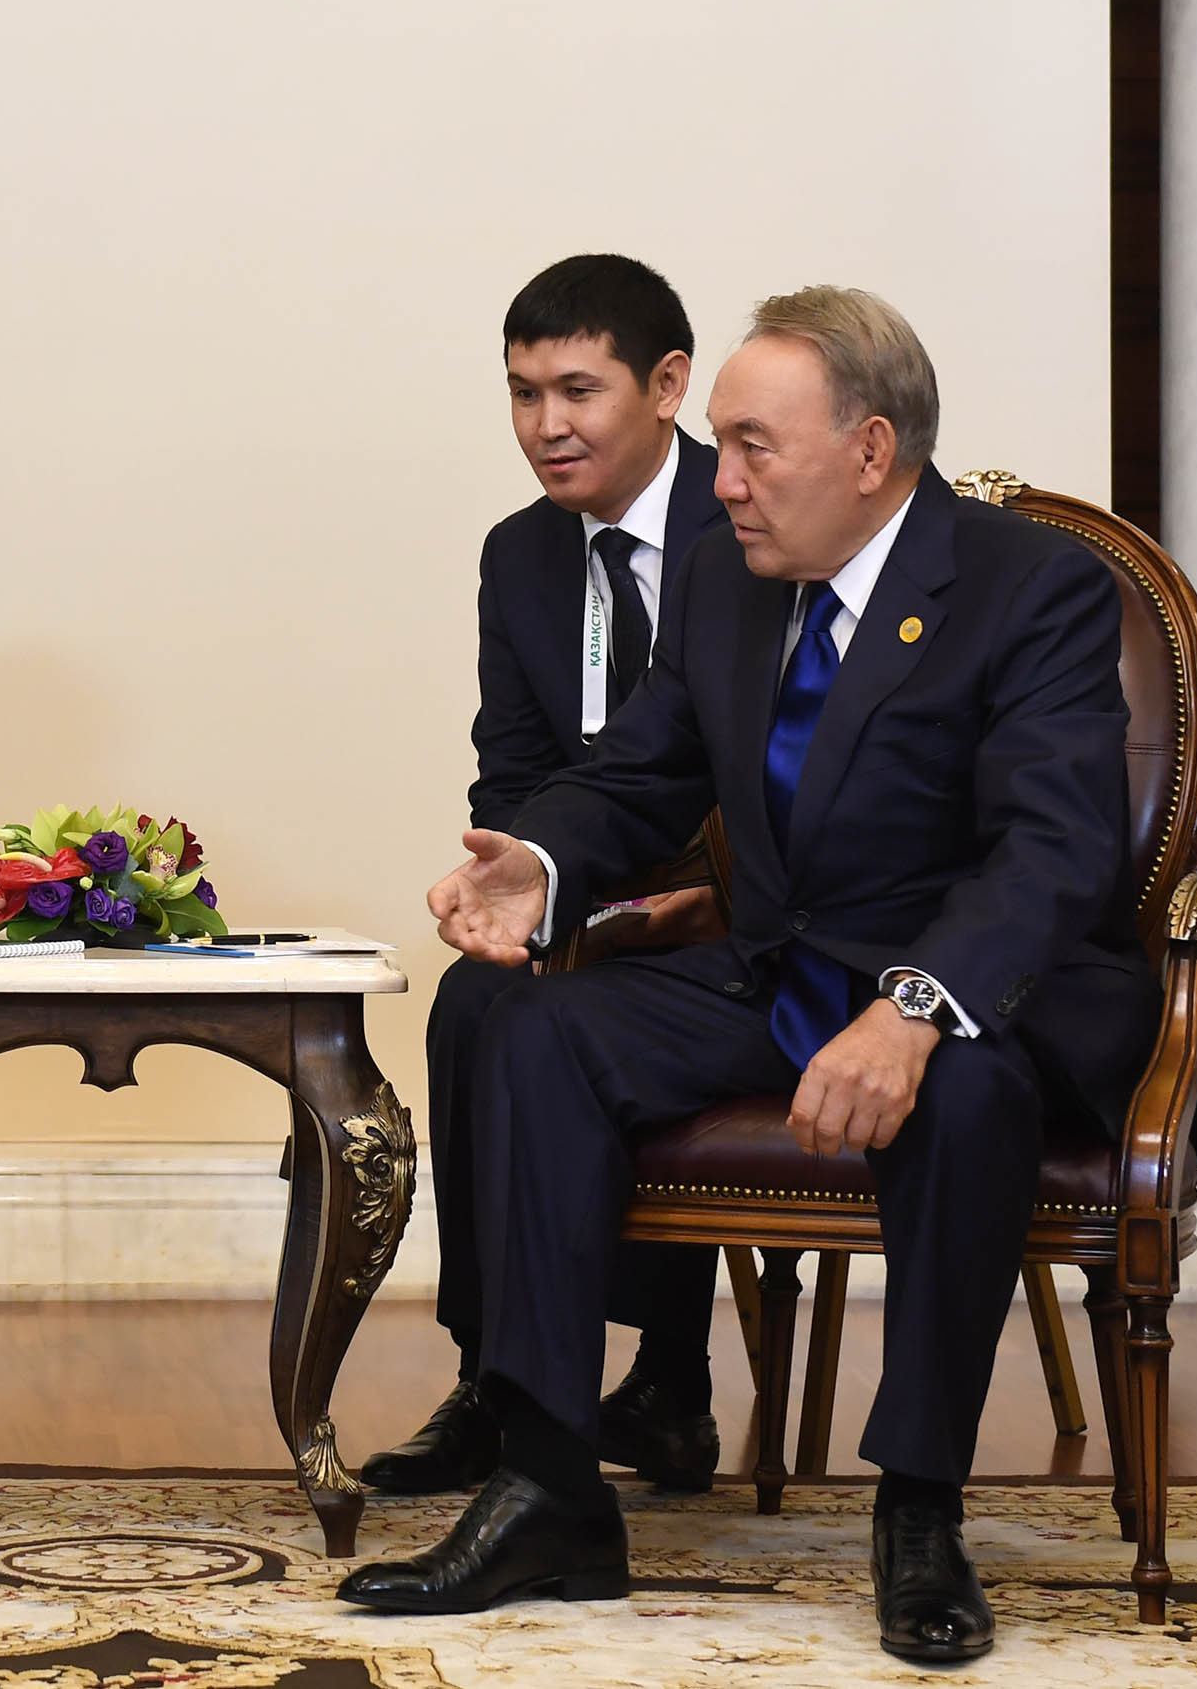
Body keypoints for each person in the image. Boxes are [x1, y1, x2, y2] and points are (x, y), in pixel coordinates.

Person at [338, 288, 1197, 1664]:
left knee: (961, 1094)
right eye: (725, 444)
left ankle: (918, 1510)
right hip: (782, 972)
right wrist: (540, 860)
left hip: (981, 991)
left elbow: (1050, 851)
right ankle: (548, 1484)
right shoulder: (726, 580)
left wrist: (915, 1007)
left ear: (869, 451)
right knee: (529, 1026)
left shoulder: (1025, 586)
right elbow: (640, 771)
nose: (724, 480)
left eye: (752, 447)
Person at [357, 255, 730, 1503]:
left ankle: (671, 1378)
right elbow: (512, 765)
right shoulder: (521, 554)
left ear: (665, 386)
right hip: (578, 889)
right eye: (522, 394)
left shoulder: (748, 520)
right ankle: (492, 1379)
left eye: (577, 390)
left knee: (625, 1006)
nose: (545, 426)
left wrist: (684, 896)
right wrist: (515, 881)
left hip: (733, 899)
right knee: (477, 1002)